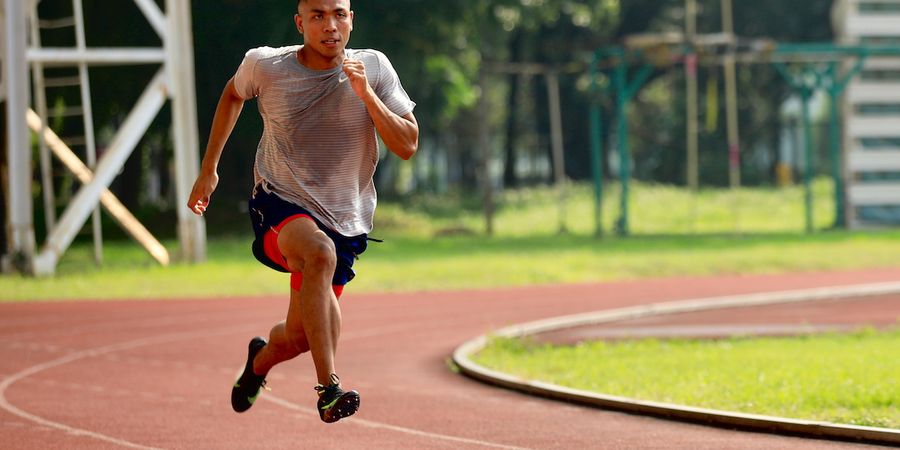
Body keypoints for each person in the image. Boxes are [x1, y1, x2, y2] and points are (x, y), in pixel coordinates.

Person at [186, 0, 418, 423]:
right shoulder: (266, 66)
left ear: (351, 19)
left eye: (339, 14)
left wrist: (367, 96)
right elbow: (232, 94)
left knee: (299, 338)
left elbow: (407, 144)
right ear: (300, 23)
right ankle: (329, 389)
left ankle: (258, 363)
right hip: (279, 201)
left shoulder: (374, 68)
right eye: (318, 16)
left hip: (345, 218)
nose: (330, 25)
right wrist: (209, 171)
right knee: (318, 253)